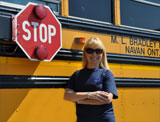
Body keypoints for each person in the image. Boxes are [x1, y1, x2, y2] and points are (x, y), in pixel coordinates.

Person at [64, 37, 118, 122]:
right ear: (85, 53)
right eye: (90, 51)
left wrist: (80, 101)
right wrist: (90, 94)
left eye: (98, 51)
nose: (94, 54)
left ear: (103, 54)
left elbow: (107, 99)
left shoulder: (106, 73)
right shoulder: (77, 75)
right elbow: (67, 96)